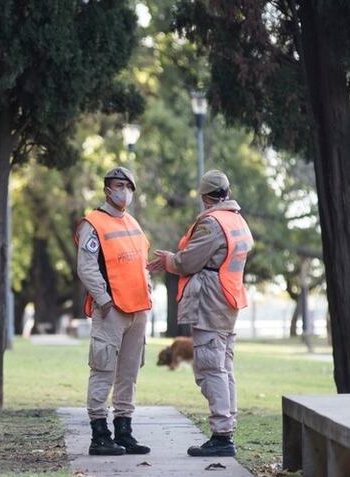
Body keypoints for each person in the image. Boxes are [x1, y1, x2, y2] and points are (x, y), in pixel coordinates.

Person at [148, 170, 253, 457]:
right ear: (227, 192)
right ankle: (227, 427)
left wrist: (170, 260)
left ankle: (221, 436)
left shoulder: (212, 222)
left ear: (205, 197)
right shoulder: (238, 221)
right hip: (229, 301)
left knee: (209, 367)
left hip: (210, 302)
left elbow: (189, 261)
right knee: (224, 367)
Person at [74, 166, 152, 456]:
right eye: (119, 185)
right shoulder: (92, 224)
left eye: (129, 186)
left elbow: (141, 263)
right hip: (111, 309)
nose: (125, 192)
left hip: (138, 308)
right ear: (108, 189)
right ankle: (99, 434)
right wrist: (104, 301)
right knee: (103, 369)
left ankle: (124, 430)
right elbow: (87, 267)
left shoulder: (132, 222)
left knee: (129, 374)